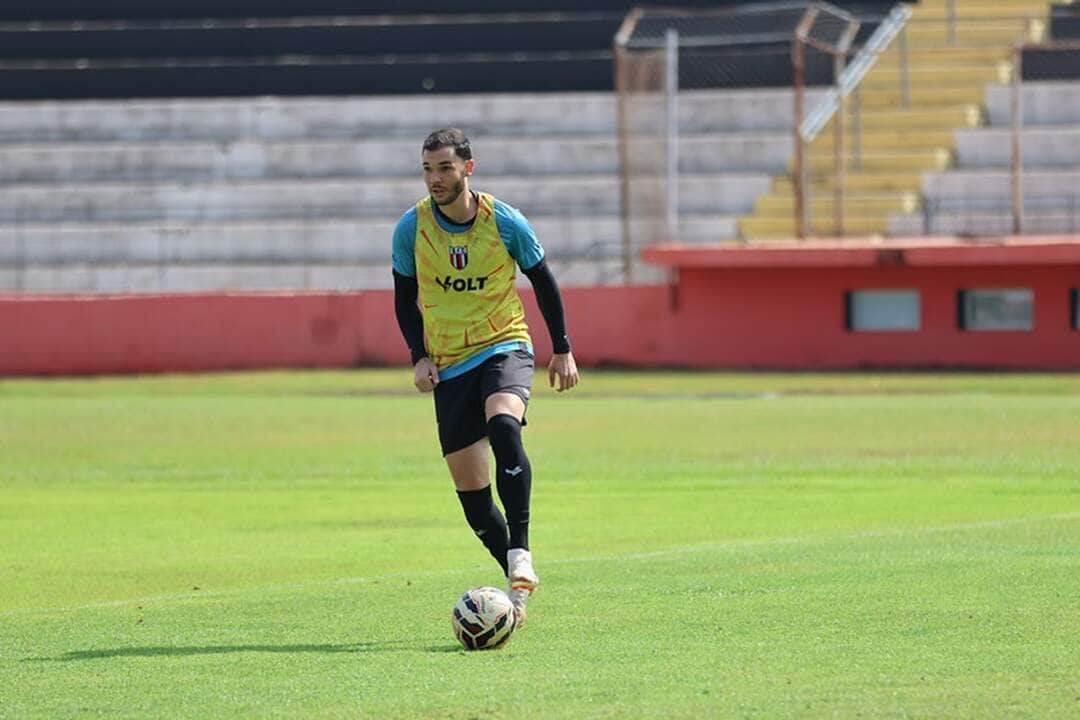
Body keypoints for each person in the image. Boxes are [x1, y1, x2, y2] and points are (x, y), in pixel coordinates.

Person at [391, 128, 579, 626]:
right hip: (449, 362)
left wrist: (561, 349)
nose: (435, 178)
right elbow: (403, 297)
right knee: (473, 499)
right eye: (428, 169)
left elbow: (543, 280)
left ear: (468, 169)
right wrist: (418, 355)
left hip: (504, 344)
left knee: (503, 423)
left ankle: (521, 551)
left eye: (445, 168)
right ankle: (515, 597)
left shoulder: (505, 221)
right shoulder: (412, 228)